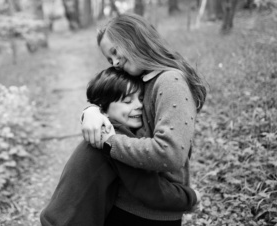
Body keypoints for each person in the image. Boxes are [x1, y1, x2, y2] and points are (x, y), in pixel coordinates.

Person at [81, 13, 207, 225]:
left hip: (152, 213)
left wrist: (108, 141)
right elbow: (108, 97)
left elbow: (170, 153)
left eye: (114, 52)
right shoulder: (140, 77)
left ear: (134, 38)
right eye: (109, 59)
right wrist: (92, 110)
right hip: (123, 201)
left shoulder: (170, 82)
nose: (114, 62)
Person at [40, 67, 198, 226]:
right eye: (127, 101)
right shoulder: (110, 138)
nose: (139, 106)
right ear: (103, 111)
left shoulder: (105, 131)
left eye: (141, 98)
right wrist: (191, 198)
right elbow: (149, 190)